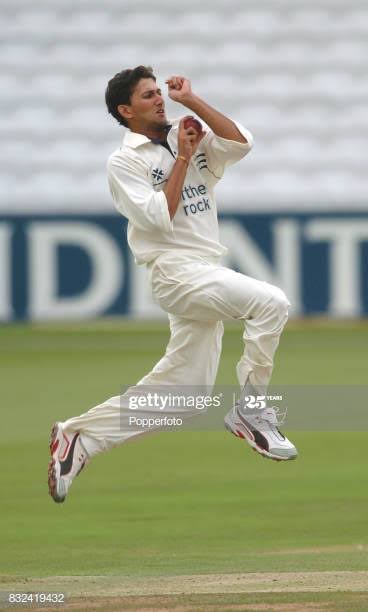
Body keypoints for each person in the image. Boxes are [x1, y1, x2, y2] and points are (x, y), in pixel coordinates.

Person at [48, 66, 297, 504]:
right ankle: (251, 409)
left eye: (158, 92)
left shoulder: (188, 135)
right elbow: (159, 217)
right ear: (125, 110)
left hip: (203, 268)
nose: (158, 99)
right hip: (175, 272)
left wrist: (193, 101)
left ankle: (78, 438)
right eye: (148, 96)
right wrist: (181, 156)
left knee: (185, 398)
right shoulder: (125, 161)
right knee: (271, 303)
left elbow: (242, 142)